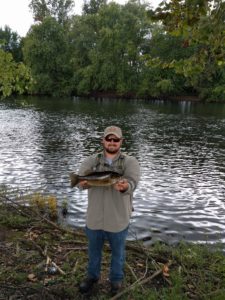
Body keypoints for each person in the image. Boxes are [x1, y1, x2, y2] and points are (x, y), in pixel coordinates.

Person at [77, 125, 140, 295]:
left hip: (118, 219)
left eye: (116, 140)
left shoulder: (130, 162)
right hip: (94, 217)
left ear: (121, 142)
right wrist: (81, 184)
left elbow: (133, 182)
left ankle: (116, 280)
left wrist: (125, 186)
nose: (112, 142)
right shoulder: (91, 160)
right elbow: (80, 180)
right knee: (93, 251)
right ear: (103, 141)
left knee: (118, 253)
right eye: (109, 139)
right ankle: (92, 277)